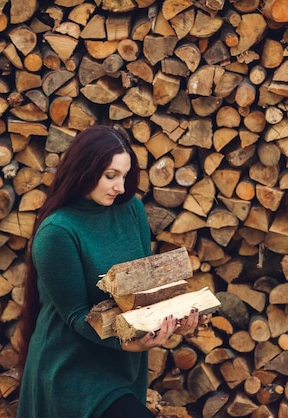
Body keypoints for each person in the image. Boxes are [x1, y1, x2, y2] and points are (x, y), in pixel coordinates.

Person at [16, 125, 205, 418]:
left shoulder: (131, 210)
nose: (120, 187)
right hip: (73, 371)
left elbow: (143, 287)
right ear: (84, 170)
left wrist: (176, 318)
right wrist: (126, 343)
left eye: (125, 175)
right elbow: (76, 315)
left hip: (121, 367)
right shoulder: (57, 232)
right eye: (110, 176)